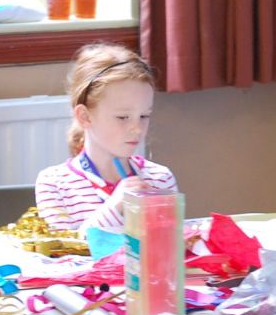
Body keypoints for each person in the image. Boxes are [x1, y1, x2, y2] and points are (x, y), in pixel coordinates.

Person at [35, 43, 177, 232]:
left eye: (144, 116)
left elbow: (169, 245)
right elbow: (62, 249)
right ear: (84, 117)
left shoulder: (160, 179)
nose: (137, 129)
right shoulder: (54, 184)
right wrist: (114, 207)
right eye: (123, 117)